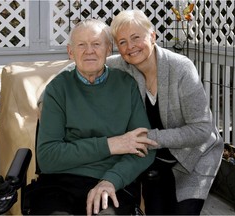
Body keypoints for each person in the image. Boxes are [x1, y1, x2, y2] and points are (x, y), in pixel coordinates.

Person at [105, 10, 224, 215]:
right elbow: (82, 65)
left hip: (193, 157)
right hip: (156, 160)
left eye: (136, 37)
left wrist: (147, 137)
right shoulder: (122, 66)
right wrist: (46, 97)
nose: (130, 47)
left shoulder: (181, 68)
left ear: (152, 36)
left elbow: (202, 129)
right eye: (122, 42)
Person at [36, 18, 157, 215]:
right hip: (60, 183)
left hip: (112, 181)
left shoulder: (126, 85)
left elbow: (144, 148)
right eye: (81, 45)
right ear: (70, 52)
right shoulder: (58, 89)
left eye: (96, 44)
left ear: (109, 50)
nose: (89, 50)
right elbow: (48, 157)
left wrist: (112, 180)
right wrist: (111, 144)